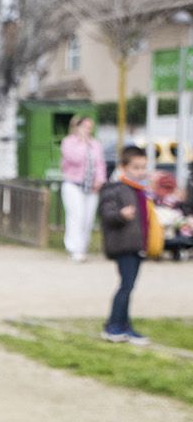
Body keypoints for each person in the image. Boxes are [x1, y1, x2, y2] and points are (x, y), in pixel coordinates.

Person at [98, 145, 160, 345]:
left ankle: (124, 325)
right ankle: (114, 326)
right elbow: (106, 214)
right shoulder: (114, 189)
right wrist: (120, 215)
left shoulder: (140, 191)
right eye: (136, 168)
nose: (140, 172)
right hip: (123, 245)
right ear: (124, 167)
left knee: (129, 286)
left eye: (143, 168)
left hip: (137, 245)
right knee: (126, 286)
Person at [59, 115, 105, 262]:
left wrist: (100, 180)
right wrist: (82, 142)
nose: (87, 130)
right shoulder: (69, 142)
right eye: (84, 127)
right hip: (74, 184)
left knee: (87, 218)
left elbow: (100, 164)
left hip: (91, 186)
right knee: (76, 216)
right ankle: (74, 248)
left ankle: (83, 246)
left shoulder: (96, 144)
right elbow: (74, 158)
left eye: (89, 127)